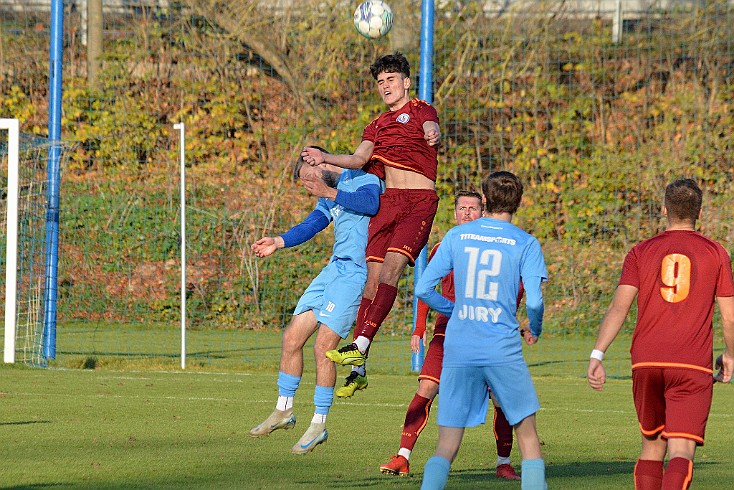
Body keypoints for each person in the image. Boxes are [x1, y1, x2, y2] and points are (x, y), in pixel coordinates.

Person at [301, 52, 441, 397]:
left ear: (406, 82)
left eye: (391, 80)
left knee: (392, 270)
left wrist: (432, 131)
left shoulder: (421, 109)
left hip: (417, 202)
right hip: (389, 203)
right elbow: (360, 159)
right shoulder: (376, 125)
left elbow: (431, 126)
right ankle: (359, 368)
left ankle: (360, 344)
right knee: (371, 283)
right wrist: (325, 157)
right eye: (380, 82)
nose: (385, 86)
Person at [587, 178, 734, 489]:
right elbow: (730, 318)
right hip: (691, 363)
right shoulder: (716, 253)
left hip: (646, 361)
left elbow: (618, 308)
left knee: (652, 447)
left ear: (664, 210)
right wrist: (731, 354)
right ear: (700, 212)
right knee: (681, 450)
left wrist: (597, 353)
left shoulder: (641, 251)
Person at [416, 171, 548, 490]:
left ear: (485, 201)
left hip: (460, 347)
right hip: (502, 348)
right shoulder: (526, 243)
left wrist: (455, 309)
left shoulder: (457, 237)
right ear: (518, 202)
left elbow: (423, 288)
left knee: (446, 445)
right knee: (528, 436)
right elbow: (535, 301)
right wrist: (535, 327)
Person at [379, 190, 521, 481]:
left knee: (500, 398)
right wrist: (419, 327)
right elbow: (425, 288)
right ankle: (402, 457)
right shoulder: (444, 247)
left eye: (472, 208)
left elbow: (519, 286)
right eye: (461, 208)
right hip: (447, 332)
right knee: (426, 389)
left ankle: (503, 462)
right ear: (455, 213)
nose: (467, 213)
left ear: (483, 212)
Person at [248, 148, 381, 454]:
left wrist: (329, 191)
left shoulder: (365, 179)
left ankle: (318, 424)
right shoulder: (328, 195)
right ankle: (283, 411)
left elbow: (371, 205)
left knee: (324, 347)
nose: (307, 185)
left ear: (321, 163)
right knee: (291, 338)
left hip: (355, 274)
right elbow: (312, 224)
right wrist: (278, 241)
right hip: (333, 270)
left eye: (308, 178)